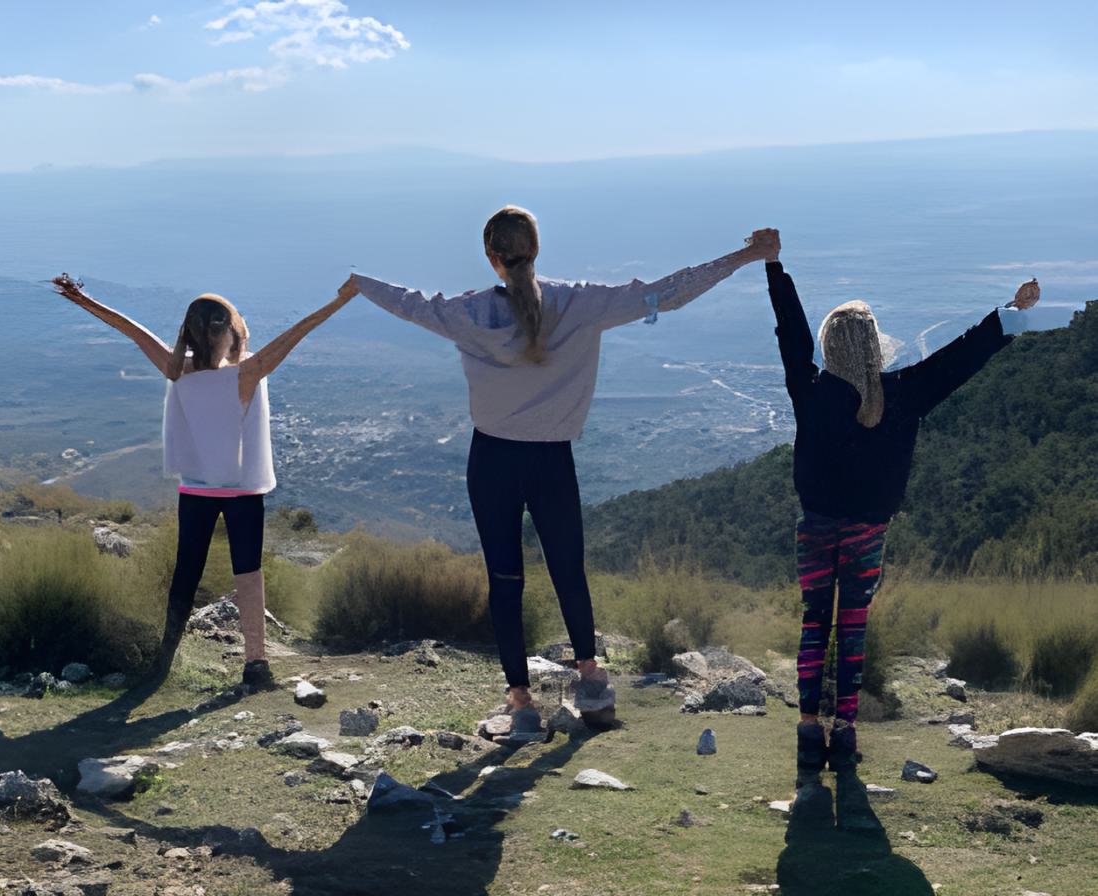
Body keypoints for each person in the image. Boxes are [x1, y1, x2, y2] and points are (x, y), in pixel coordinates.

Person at [352, 205, 778, 728]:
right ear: (536, 249)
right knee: (568, 569)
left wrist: (359, 283)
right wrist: (747, 255)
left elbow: (409, 304)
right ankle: (592, 681)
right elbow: (669, 291)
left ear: (492, 258)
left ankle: (520, 703)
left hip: (491, 460)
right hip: (553, 459)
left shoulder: (470, 313)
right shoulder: (580, 303)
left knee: (505, 580)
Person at [762, 234, 1043, 832]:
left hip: (815, 528)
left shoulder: (810, 392)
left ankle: (808, 732)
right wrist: (1010, 313)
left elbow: (789, 330)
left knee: (816, 623)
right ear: (872, 346)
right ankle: (846, 735)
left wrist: (775, 267)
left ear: (832, 347)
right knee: (854, 628)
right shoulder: (905, 393)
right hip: (868, 533)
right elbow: (961, 358)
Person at [51, 274, 358, 690]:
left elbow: (128, 329)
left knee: (186, 572)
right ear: (230, 333)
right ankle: (256, 664)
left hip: (195, 489)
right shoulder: (249, 372)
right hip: (242, 492)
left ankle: (164, 659)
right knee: (248, 574)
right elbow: (299, 331)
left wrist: (82, 299)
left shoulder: (175, 370)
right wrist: (340, 302)